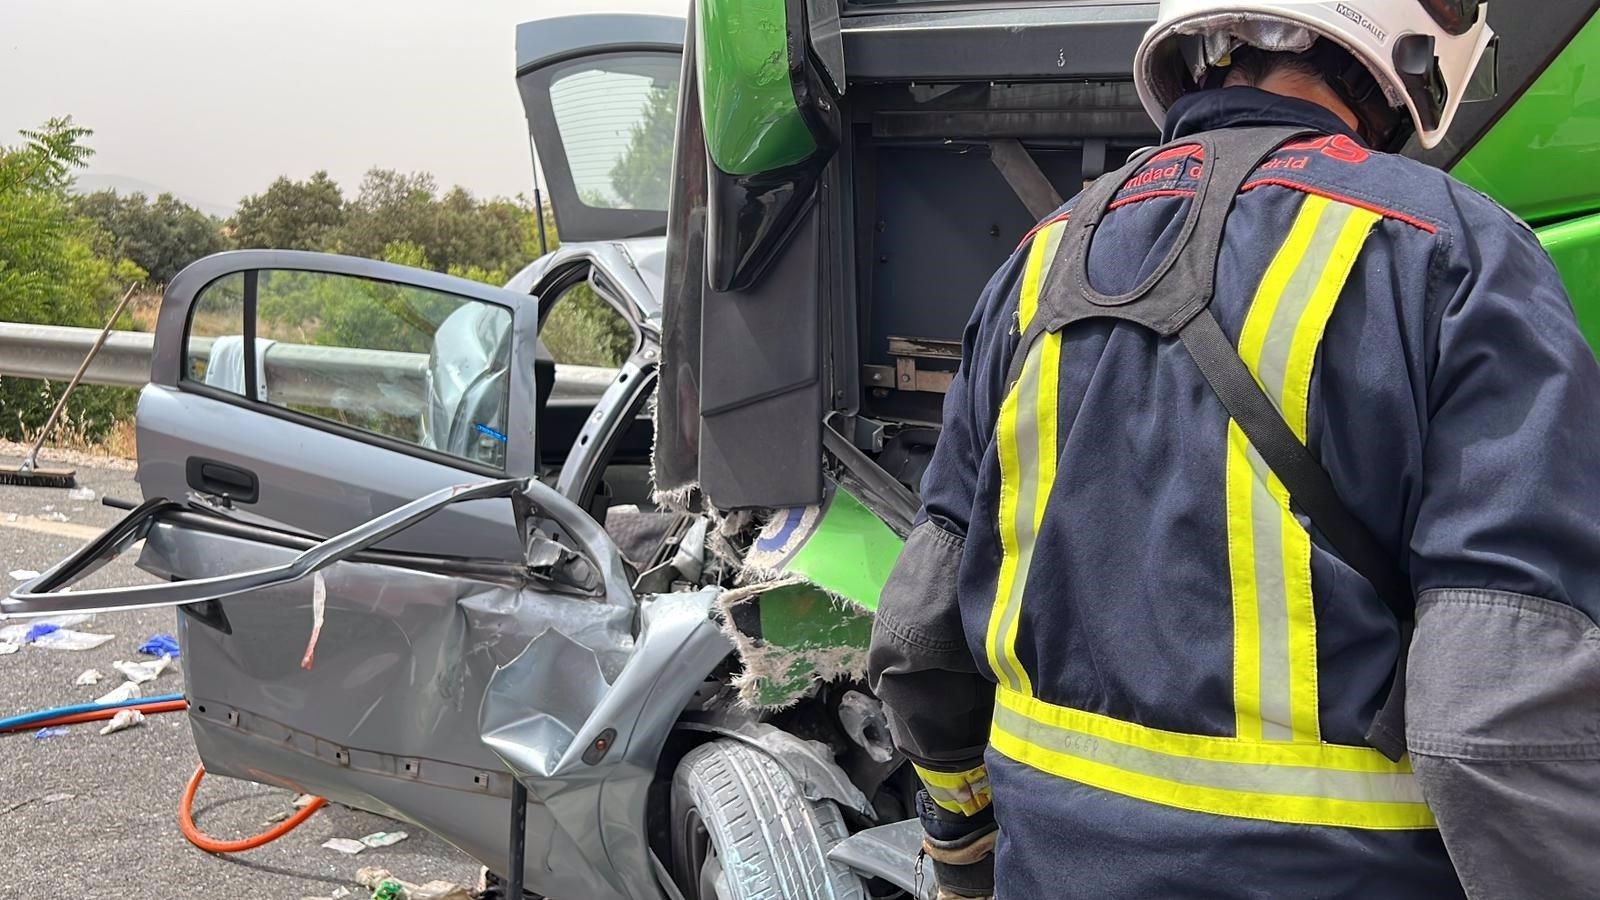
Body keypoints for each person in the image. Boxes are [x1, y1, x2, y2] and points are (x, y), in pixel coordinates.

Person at [868, 2, 1600, 897]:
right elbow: (1495, 721)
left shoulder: (1039, 262)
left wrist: (962, 854)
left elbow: (915, 636)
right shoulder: (1455, 255)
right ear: (1408, 48)